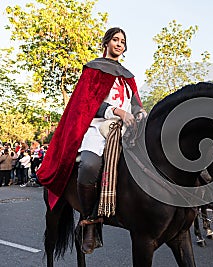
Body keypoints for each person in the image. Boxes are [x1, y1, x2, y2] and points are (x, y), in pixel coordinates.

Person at [37, 27, 145, 254]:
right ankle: (89, 223)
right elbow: (86, 105)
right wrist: (117, 111)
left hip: (124, 133)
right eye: (115, 40)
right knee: (89, 165)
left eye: (123, 41)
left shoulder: (128, 77)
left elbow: (135, 105)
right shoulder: (93, 69)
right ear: (106, 43)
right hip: (97, 129)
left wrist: (140, 113)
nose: (119, 44)